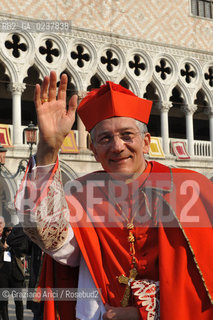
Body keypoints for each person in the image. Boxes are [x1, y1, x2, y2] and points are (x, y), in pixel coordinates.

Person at [15, 71, 213, 320]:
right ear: (93, 150)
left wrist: (146, 312)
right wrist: (48, 148)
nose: (117, 146)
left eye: (127, 135)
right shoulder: (82, 193)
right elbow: (46, 235)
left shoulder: (191, 188)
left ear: (146, 141)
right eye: (105, 138)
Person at [0, 226, 25, 320]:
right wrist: (3, 248)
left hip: (16, 275)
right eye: (7, 231)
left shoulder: (17, 243)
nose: (9, 232)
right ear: (4, 232)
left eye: (11, 231)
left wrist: (13, 246)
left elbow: (23, 253)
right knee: (3, 301)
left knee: (18, 301)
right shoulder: (1, 242)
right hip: (3, 275)